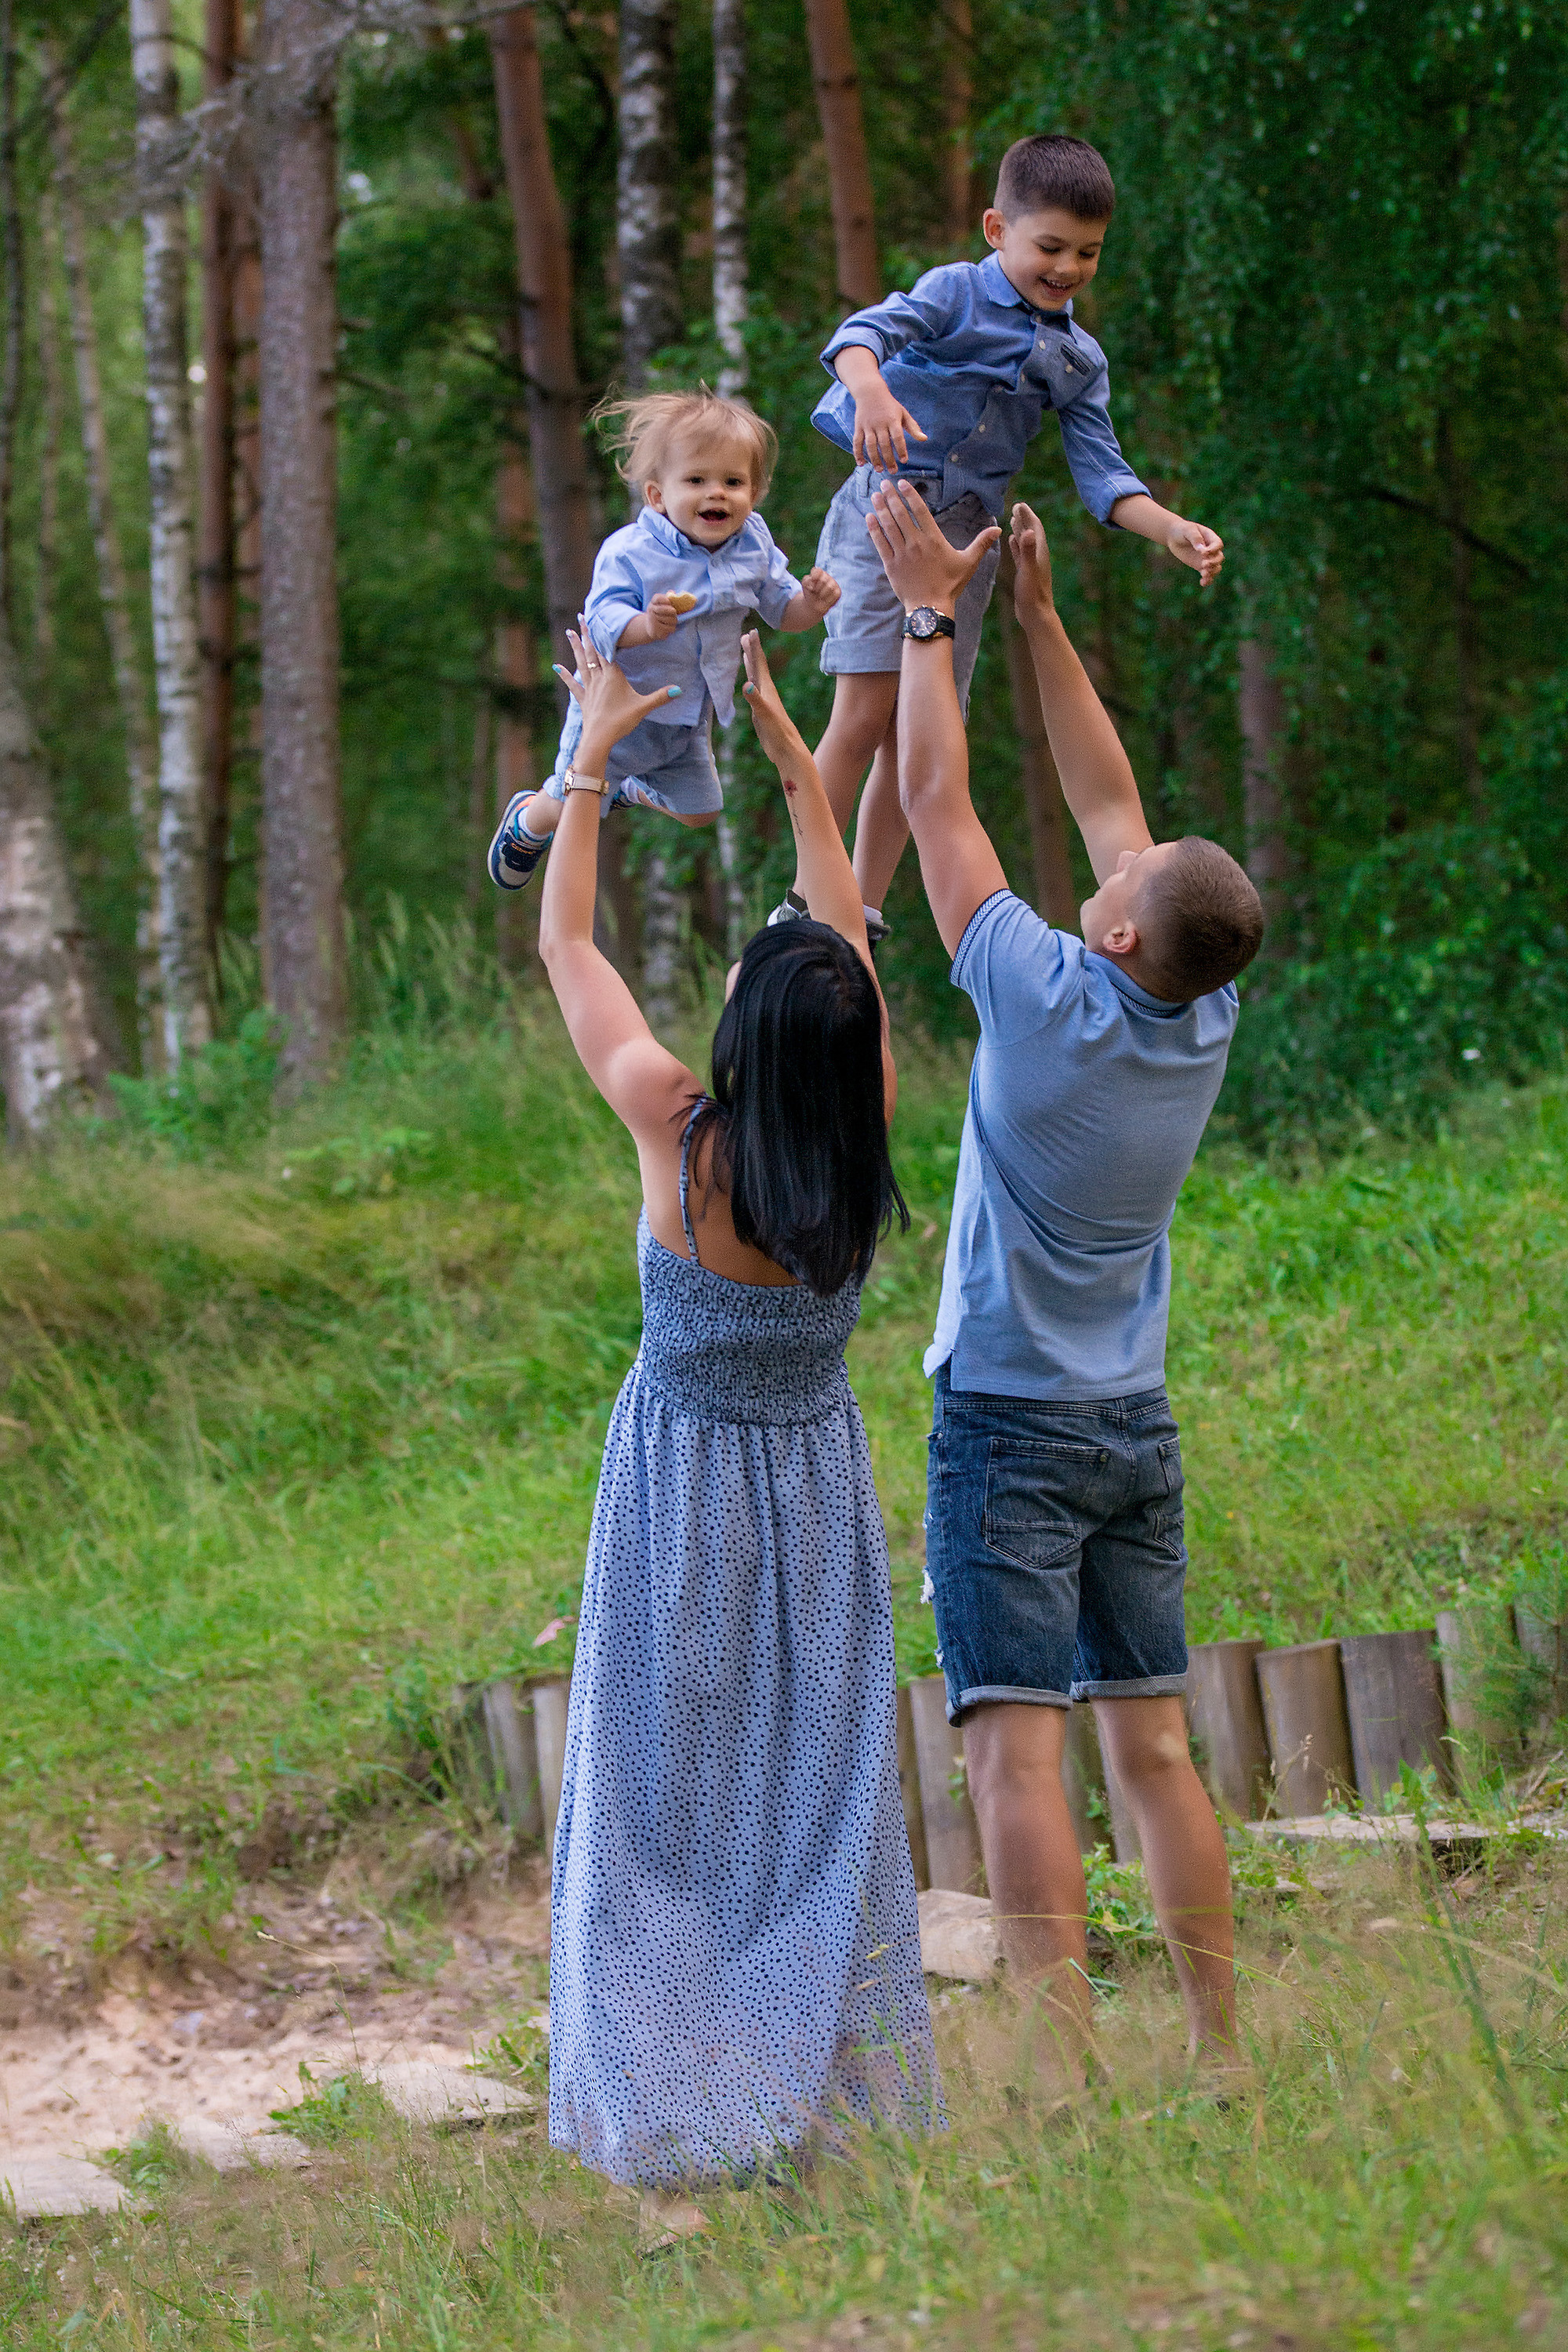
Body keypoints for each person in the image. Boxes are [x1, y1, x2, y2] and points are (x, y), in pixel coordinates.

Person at [862, 477, 1263, 2067]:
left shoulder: (1036, 998)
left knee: (1013, 1761)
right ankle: (1220, 2052)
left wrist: (924, 613)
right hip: (1131, 1430)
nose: (1113, 862)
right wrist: (1037, 620)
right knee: (1153, 1751)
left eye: (1117, 885)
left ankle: (1065, 2068)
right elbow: (1113, 815)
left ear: (1109, 941)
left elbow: (932, 800)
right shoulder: (1198, 1011)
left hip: (1010, 1431)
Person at [535, 619, 937, 2201]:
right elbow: (841, 948)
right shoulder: (862, 1124)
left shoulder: (677, 1133)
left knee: (653, 1811)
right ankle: (806, 2111)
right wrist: (790, 751)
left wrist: (587, 757)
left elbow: (570, 953)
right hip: (816, 1498)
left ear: (737, 1037)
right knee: (808, 1801)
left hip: (680, 1498)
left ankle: (664, 2114)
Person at [771, 132, 1223, 945]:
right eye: (1049, 246)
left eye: (1087, 253)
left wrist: (1169, 530)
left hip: (961, 548)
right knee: (865, 709)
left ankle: (860, 909)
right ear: (995, 231)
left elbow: (1103, 475)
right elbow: (857, 337)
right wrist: (870, 393)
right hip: (889, 512)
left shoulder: (1078, 358)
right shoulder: (954, 294)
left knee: (918, 735)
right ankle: (807, 901)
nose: (1067, 268)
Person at [488, 389, 839, 892]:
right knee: (572, 806)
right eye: (696, 480)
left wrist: (813, 603)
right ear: (657, 495)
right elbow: (603, 620)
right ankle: (529, 820)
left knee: (702, 813)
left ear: (755, 493)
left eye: (733, 482)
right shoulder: (631, 552)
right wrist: (646, 627)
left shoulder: (754, 545)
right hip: (616, 717)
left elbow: (784, 610)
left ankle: (629, 789)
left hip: (686, 718)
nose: (716, 493)